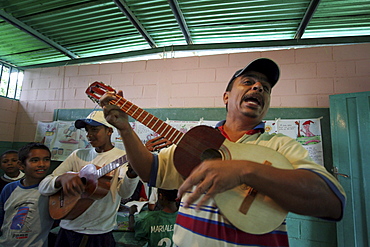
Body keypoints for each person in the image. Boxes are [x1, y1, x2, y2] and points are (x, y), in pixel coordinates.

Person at [100, 58, 346, 246]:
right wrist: (125, 130)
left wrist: (245, 171)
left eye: (266, 88)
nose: (259, 87)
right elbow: (150, 171)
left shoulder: (280, 145)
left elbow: (332, 203)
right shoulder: (196, 143)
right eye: (249, 82)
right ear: (226, 97)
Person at [38, 110, 139, 247]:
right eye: (87, 130)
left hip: (99, 232)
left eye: (94, 129)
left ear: (109, 131)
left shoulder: (123, 157)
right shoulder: (77, 155)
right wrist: (60, 179)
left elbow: (125, 193)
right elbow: (44, 186)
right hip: (67, 228)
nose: (89, 135)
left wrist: (132, 174)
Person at [0, 142, 54, 246]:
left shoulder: (51, 190)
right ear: (21, 165)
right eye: (35, 160)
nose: (42, 164)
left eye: (46, 159)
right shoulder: (9, 189)